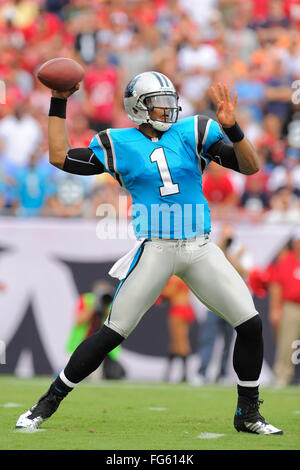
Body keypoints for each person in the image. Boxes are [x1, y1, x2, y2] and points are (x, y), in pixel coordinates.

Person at [16, 71, 282, 434]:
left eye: (170, 100)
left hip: (200, 245)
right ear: (137, 107)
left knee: (250, 324)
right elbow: (60, 157)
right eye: (159, 102)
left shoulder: (194, 130)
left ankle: (248, 413)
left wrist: (233, 129)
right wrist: (59, 100)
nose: (168, 108)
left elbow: (250, 167)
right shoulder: (118, 142)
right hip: (156, 246)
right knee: (112, 332)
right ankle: (45, 404)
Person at [193, 224, 254, 385]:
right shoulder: (214, 248)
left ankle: (223, 374)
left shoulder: (242, 251)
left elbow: (245, 272)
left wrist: (233, 256)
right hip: (214, 303)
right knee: (208, 339)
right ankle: (202, 372)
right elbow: (209, 266)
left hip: (233, 304)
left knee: (229, 342)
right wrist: (221, 246)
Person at [66, 280, 125, 381]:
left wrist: (105, 308)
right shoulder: (85, 300)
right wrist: (94, 306)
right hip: (80, 345)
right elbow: (79, 320)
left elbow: (116, 322)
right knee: (71, 376)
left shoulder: (111, 302)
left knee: (96, 378)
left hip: (100, 347)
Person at [268, 229, 300, 386]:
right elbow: (276, 286)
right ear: (294, 243)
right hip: (291, 307)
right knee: (287, 343)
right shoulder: (285, 261)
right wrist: (275, 308)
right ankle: (282, 375)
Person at [155, 275, 196, 383]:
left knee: (180, 342)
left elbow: (169, 292)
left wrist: (159, 290)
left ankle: (184, 375)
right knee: (177, 342)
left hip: (178, 310)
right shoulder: (185, 276)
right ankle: (170, 374)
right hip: (187, 308)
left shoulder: (174, 278)